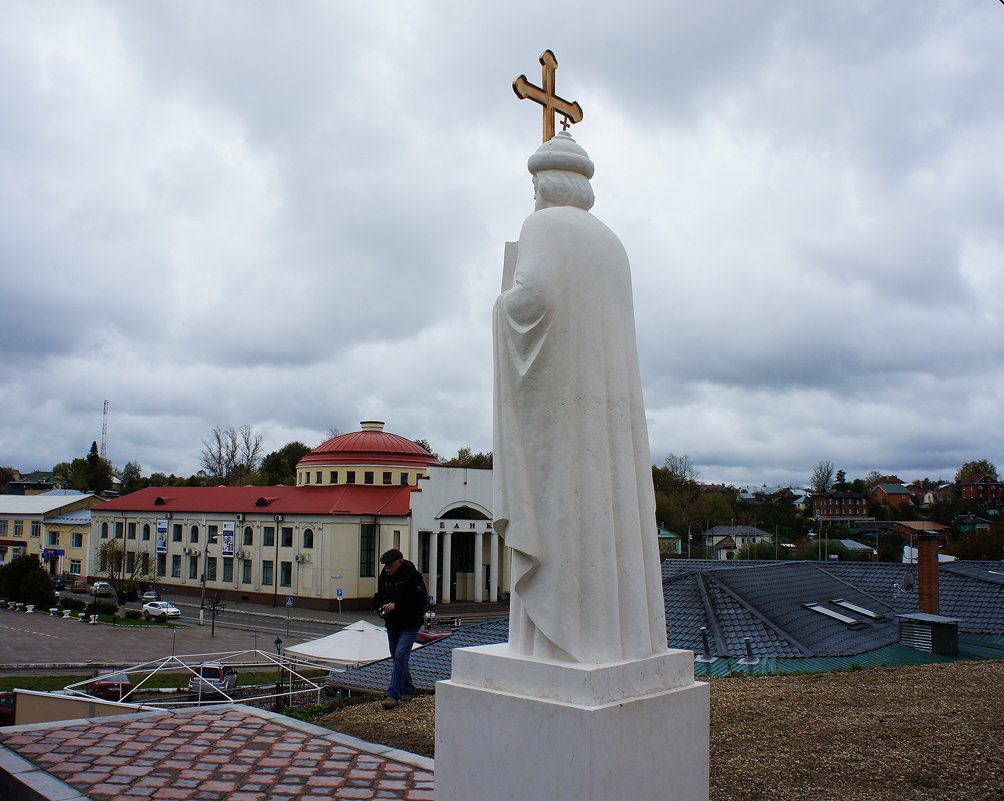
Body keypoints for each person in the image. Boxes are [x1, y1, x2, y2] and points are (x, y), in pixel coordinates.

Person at [493, 131, 668, 664]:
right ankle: (617, 639)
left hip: (560, 410)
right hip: (606, 407)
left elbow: (534, 299)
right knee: (606, 509)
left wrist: (501, 303)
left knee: (558, 512)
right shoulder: (613, 245)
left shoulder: (541, 226)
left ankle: (555, 643)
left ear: (543, 186)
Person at [372, 548, 428, 709]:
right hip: (392, 624)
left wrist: (397, 606)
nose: (387, 568)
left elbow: (421, 599)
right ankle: (409, 689)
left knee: (401, 656)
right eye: (385, 565)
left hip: (410, 624)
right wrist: (380, 609)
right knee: (397, 658)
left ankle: (392, 695)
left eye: (390, 564)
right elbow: (379, 597)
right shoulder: (384, 577)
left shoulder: (413, 576)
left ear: (400, 562)